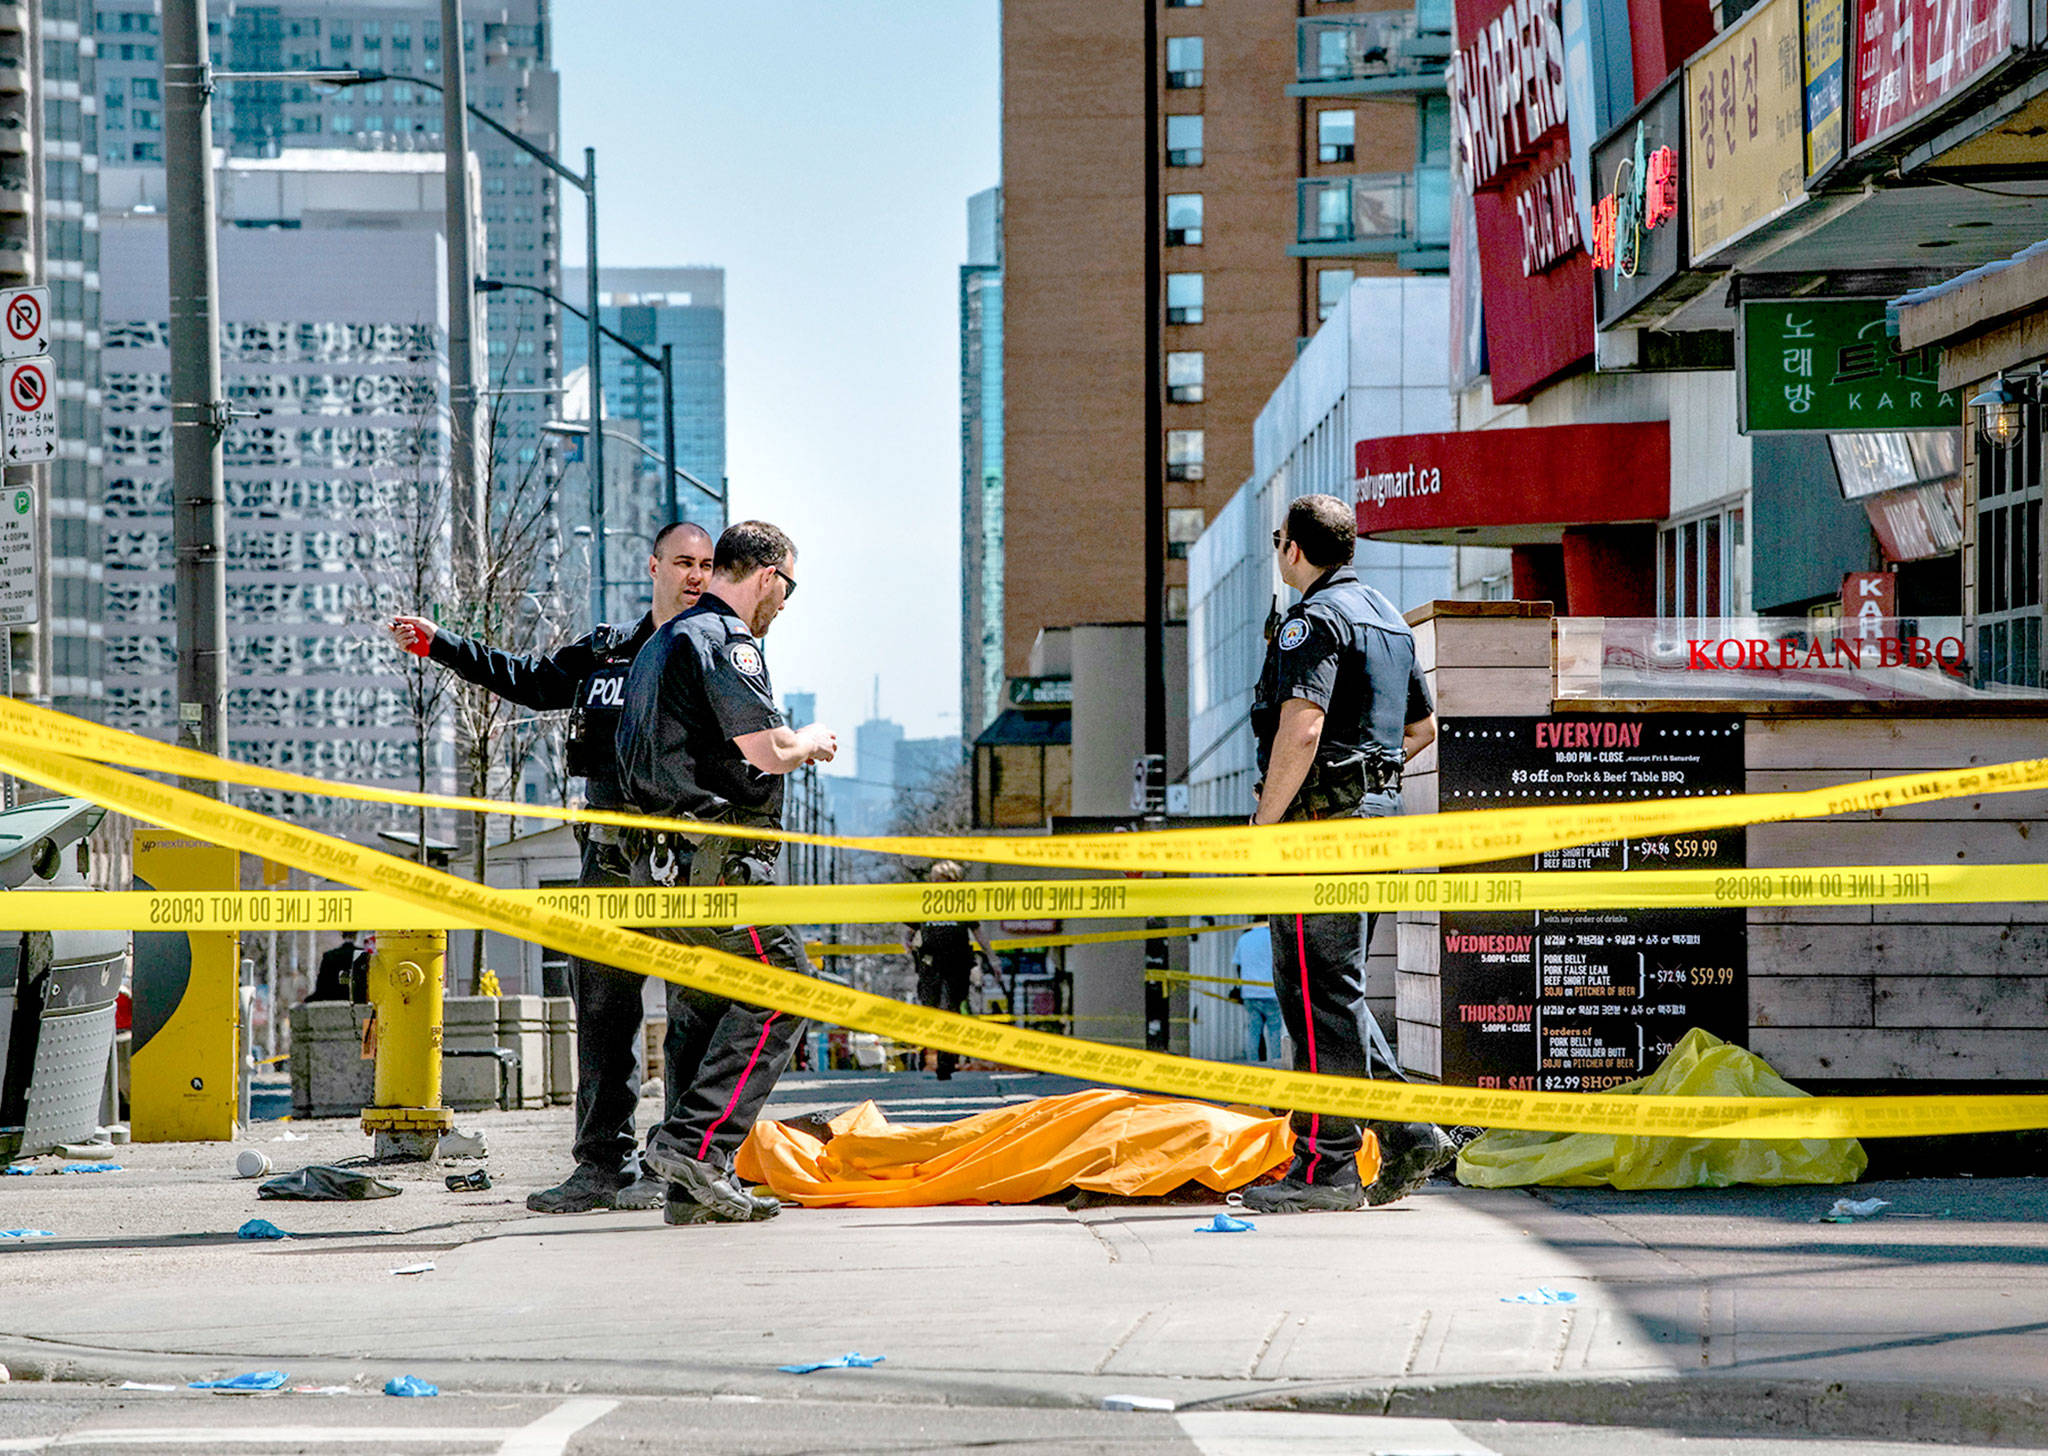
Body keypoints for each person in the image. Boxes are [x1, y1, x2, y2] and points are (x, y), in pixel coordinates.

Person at [388, 519, 716, 1215]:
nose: (695, 575)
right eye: (684, 562)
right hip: (607, 856)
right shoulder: (606, 652)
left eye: (708, 565)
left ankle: (676, 1161)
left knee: (693, 1011)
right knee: (602, 1010)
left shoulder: (714, 653)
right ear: (653, 566)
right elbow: (530, 682)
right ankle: (601, 1167)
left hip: (687, 858)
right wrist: (442, 644)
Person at [614, 519, 839, 1226]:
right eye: (787, 591)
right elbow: (769, 750)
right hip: (716, 868)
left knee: (705, 1015)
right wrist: (809, 740)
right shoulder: (722, 639)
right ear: (767, 577)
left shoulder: (658, 645)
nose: (783, 607)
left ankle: (691, 1189)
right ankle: (693, 1149)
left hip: (661, 872)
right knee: (782, 987)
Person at [1242, 493, 1454, 1214]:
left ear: (1294, 549)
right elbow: (1423, 729)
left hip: (1320, 833)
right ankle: (1408, 1131)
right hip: (1374, 824)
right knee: (1339, 992)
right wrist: (1368, 772)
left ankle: (1325, 1168)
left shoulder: (1314, 621)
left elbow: (1301, 730)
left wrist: (1266, 826)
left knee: (1312, 993)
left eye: (1279, 540)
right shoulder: (1388, 618)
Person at [906, 860, 996, 1080]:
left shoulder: (962, 904)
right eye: (934, 880)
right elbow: (908, 930)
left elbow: (978, 933)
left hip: (957, 964)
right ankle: (934, 1055)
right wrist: (907, 944)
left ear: (953, 882)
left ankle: (946, 1063)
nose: (937, 884)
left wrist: (993, 958)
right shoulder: (925, 903)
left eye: (942, 880)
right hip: (929, 964)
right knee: (931, 1009)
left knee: (949, 1008)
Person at [1231, 922, 1282, 1065]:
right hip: (1271, 992)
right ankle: (1276, 1063)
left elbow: (1238, 965)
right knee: (1274, 1031)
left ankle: (1252, 1064)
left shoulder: (1243, 939)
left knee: (1253, 1031)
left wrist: (1241, 986)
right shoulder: (1272, 938)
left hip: (1250, 992)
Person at [309, 929, 368, 1003]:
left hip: (334, 1002)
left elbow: (322, 987)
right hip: (360, 1001)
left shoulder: (330, 956)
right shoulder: (363, 956)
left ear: (342, 934)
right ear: (356, 935)